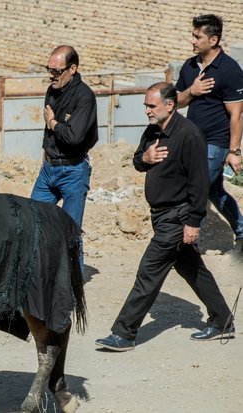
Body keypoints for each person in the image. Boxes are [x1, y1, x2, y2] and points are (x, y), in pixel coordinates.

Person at [96, 83, 235, 352]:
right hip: (160, 215)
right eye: (146, 106)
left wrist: (193, 222)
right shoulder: (152, 131)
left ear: (170, 104)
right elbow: (138, 161)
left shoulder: (189, 135)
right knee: (192, 269)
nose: (146, 110)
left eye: (151, 105)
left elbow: (199, 183)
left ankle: (124, 333)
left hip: (178, 216)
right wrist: (145, 158)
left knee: (149, 271)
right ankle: (222, 319)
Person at [175, 14, 243, 252]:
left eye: (197, 36)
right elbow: (177, 102)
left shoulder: (229, 70)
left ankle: (188, 245)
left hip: (216, 142)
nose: (192, 41)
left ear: (213, 40)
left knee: (196, 188)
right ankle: (242, 231)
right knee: (214, 192)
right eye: (193, 36)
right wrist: (192, 90)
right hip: (193, 141)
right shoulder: (189, 66)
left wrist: (234, 151)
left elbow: (237, 115)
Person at [30, 45, 98, 268]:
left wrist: (52, 122)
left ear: (73, 69)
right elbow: (48, 136)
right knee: (32, 223)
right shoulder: (52, 91)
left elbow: (74, 137)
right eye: (49, 70)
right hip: (49, 170)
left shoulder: (84, 97)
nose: (51, 75)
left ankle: (71, 290)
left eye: (57, 71)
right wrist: (44, 161)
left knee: (70, 234)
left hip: (73, 172)